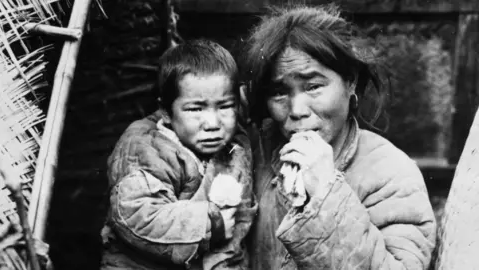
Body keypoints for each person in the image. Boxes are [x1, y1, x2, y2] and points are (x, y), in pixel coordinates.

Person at [241, 5, 437, 270]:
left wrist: (326, 191)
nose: (297, 110)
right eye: (279, 92)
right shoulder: (256, 151)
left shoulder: (391, 174)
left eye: (313, 86)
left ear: (350, 82)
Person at [100, 39, 257, 270]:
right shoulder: (148, 148)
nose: (212, 123)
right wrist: (210, 224)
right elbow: (137, 215)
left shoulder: (234, 148)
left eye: (224, 107)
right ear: (166, 111)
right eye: (196, 109)